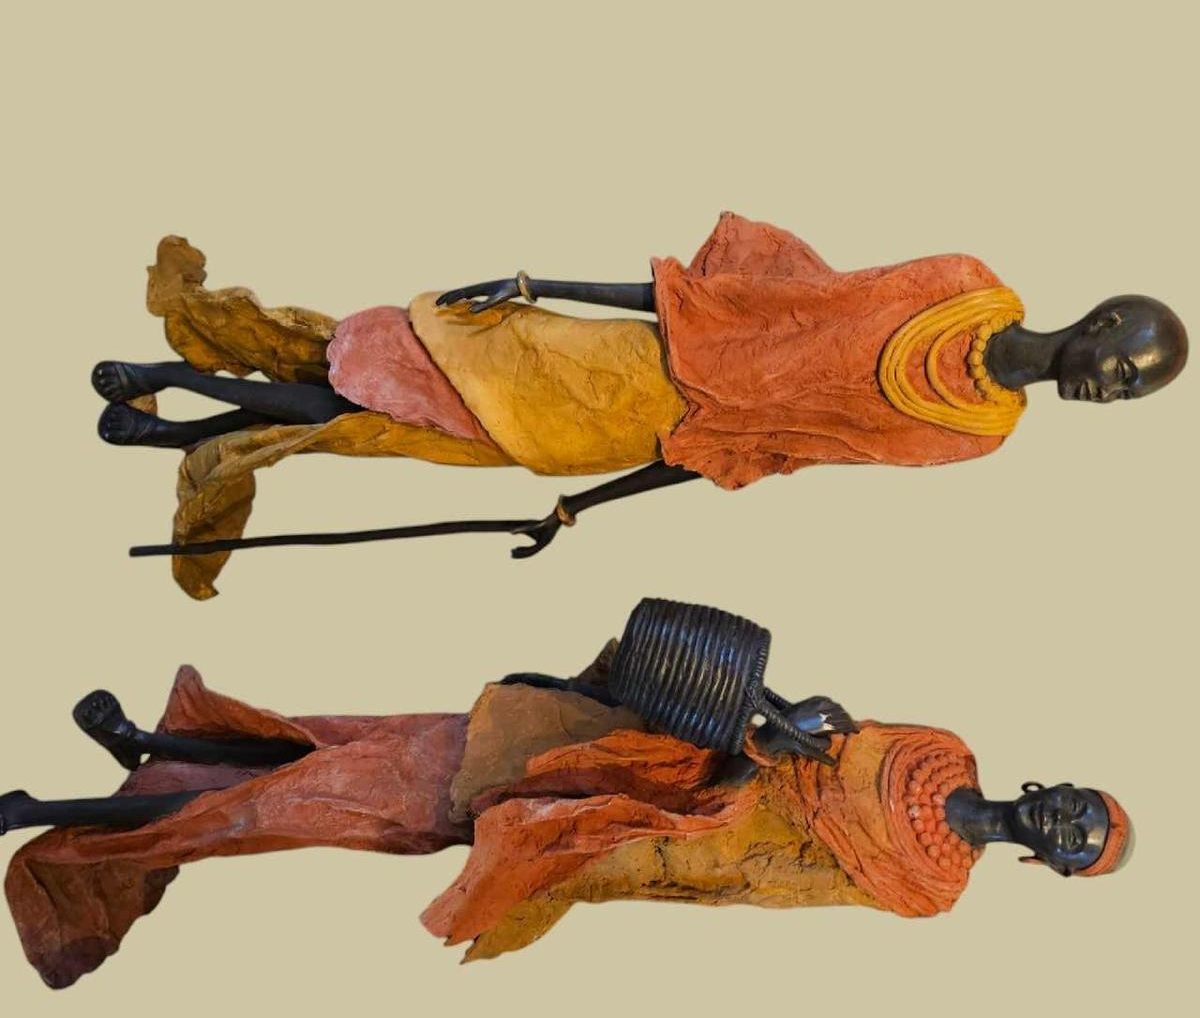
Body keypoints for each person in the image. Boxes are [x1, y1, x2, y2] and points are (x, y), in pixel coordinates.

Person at [2, 601, 1132, 989]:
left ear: (1052, 866)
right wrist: (796, 714)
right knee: (357, 740)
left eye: (1075, 842)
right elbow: (830, 735)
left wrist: (749, 764)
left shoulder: (928, 887)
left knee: (308, 805)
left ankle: (61, 815)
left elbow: (759, 868)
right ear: (1058, 786)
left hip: (641, 814)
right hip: (638, 739)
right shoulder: (945, 752)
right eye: (1079, 807)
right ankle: (154, 741)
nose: (1066, 823)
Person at [93, 213, 1188, 597]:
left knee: (398, 435)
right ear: (1104, 321)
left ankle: (178, 419)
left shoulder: (976, 437)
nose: (1114, 387)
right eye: (1128, 361)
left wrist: (583, 508)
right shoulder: (959, 284)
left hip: (625, 431)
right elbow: (729, 306)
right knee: (397, 362)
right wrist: (539, 284)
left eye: (1133, 392)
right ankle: (173, 392)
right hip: (622, 355)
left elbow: (755, 454)